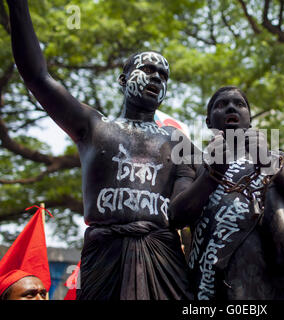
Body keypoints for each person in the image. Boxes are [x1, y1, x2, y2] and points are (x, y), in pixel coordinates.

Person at [7, 0, 195, 300]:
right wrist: (18, 7)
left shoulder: (178, 142)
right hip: (104, 257)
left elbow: (185, 210)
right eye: (148, 69)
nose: (157, 78)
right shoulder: (94, 127)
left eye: (163, 75)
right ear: (122, 80)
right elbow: (37, 77)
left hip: (163, 259)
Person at [169, 86, 284, 300]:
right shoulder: (194, 162)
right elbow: (176, 216)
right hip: (213, 286)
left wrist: (268, 161)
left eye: (239, 104)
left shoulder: (277, 158)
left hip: (276, 285)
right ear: (208, 122)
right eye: (221, 104)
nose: (231, 107)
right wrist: (212, 174)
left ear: (249, 120)